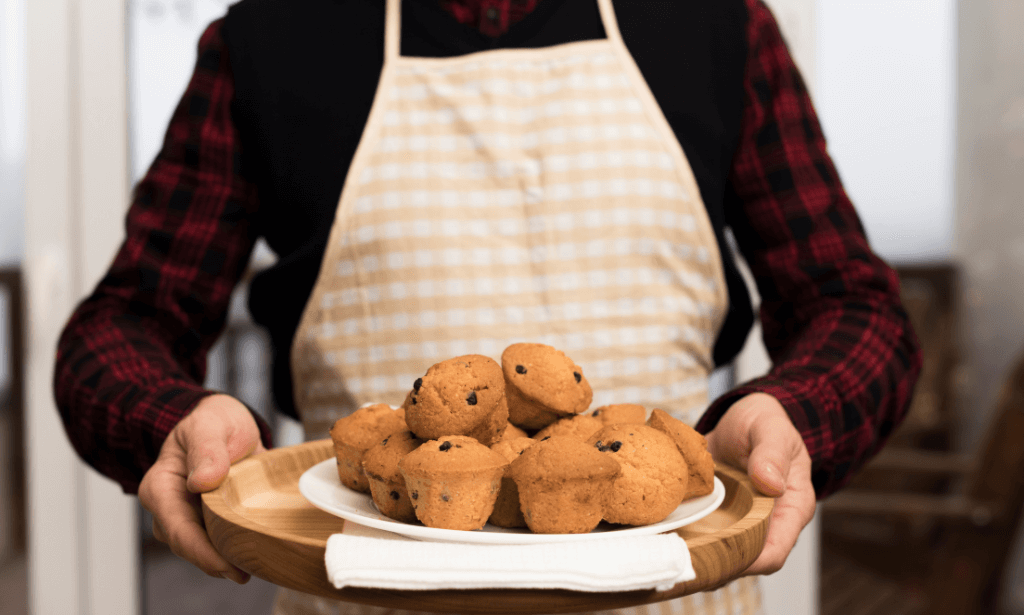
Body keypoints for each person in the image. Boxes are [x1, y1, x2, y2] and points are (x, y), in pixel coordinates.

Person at [54, 0, 921, 613]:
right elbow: (122, 325)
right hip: (363, 598)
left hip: (678, 600)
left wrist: (790, 412)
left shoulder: (718, 27)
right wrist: (171, 418)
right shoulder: (269, 42)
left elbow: (856, 307)